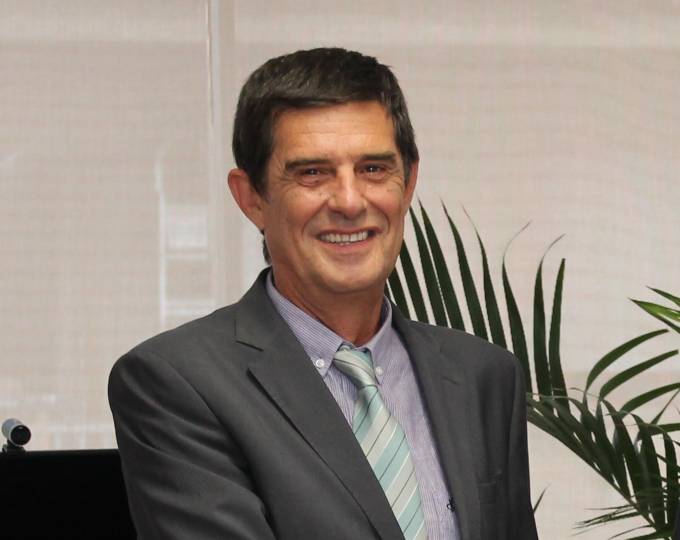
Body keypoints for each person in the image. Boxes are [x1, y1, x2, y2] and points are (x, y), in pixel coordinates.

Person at [109, 47, 539, 540]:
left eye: (373, 169)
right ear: (251, 198)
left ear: (408, 183)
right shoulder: (178, 384)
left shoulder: (484, 376)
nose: (350, 201)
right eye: (312, 172)